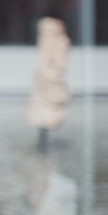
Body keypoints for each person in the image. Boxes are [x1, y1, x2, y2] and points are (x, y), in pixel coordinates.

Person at [26, 17, 71, 151]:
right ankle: (42, 142)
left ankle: (44, 142)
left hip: (49, 81)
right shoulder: (48, 41)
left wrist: (52, 76)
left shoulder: (60, 42)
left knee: (48, 114)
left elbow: (59, 63)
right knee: (42, 115)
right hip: (43, 81)